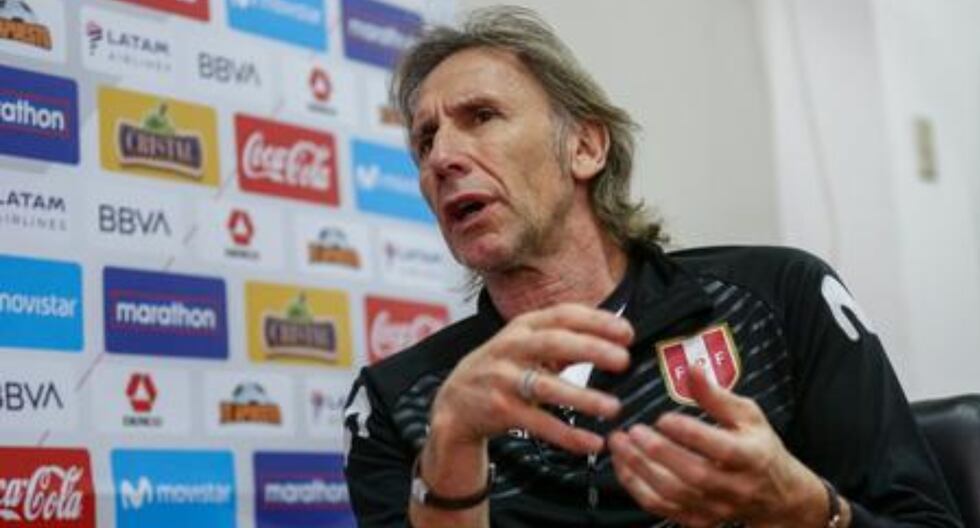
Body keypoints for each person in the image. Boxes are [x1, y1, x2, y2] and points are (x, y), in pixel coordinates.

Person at [342, 6, 962, 528]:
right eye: (425, 141)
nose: (442, 157)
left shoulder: (775, 301)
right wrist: (451, 445)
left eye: (481, 117)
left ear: (585, 147)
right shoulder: (403, 400)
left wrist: (805, 508)